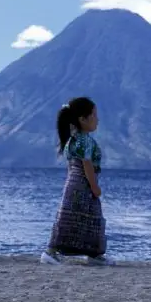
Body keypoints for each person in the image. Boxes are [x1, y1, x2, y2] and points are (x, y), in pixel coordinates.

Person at [40, 97, 113, 266]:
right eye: (94, 115)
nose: (97, 119)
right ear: (82, 119)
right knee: (85, 217)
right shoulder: (84, 140)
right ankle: (53, 252)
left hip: (72, 184)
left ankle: (91, 254)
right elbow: (86, 164)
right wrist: (95, 187)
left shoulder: (73, 139)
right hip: (83, 185)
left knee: (73, 217)